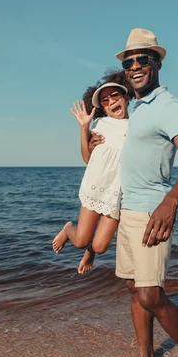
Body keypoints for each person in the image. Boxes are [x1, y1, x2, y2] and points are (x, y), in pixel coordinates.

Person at [90, 29, 178, 357]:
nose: (135, 66)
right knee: (133, 288)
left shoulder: (169, 106)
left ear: (156, 63)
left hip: (151, 211)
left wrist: (170, 201)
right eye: (129, 62)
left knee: (150, 295)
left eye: (143, 59)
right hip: (127, 209)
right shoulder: (136, 107)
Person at [52, 70, 133, 275]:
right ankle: (68, 228)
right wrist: (84, 128)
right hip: (95, 187)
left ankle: (91, 253)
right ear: (102, 108)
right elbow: (87, 158)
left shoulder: (137, 125)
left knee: (100, 246)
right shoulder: (101, 125)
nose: (111, 101)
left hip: (116, 193)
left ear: (126, 97)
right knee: (80, 240)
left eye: (115, 96)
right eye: (105, 100)